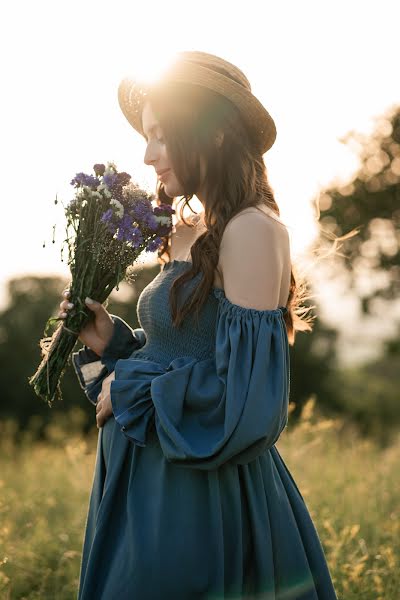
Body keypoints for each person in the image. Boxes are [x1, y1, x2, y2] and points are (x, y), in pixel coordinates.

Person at [59, 51, 338, 599]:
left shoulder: (253, 230)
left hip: (197, 491)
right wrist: (115, 346)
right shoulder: (189, 231)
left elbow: (247, 405)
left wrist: (130, 385)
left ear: (212, 134)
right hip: (143, 474)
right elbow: (185, 351)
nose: (148, 155)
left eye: (161, 135)